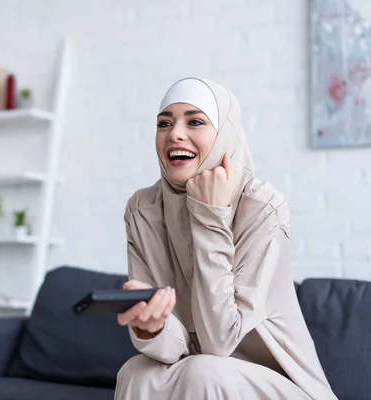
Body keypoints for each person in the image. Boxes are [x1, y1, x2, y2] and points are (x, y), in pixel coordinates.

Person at [113, 78, 337, 400]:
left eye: (195, 121)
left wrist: (209, 214)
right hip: (203, 373)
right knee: (136, 372)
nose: (175, 133)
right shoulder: (143, 210)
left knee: (204, 371)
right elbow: (174, 347)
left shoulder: (262, 207)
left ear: (224, 135)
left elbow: (219, 340)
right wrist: (153, 327)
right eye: (165, 123)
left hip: (284, 387)